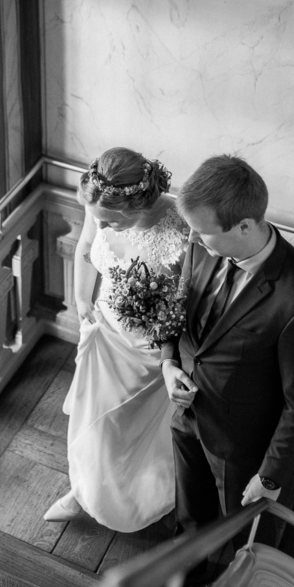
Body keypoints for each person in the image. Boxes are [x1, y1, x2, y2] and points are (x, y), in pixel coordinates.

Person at [161, 155, 294, 587]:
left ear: (244, 226)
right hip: (188, 416)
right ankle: (189, 580)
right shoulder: (201, 247)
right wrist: (168, 363)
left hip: (244, 447)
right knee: (191, 514)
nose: (194, 240)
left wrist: (271, 476)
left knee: (250, 539)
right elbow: (177, 311)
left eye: (203, 232)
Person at [44, 147, 189, 532]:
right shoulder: (99, 206)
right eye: (99, 219)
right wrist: (79, 299)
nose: (102, 227)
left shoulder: (182, 226)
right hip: (102, 334)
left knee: (129, 432)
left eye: (111, 222)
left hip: (148, 353)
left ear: (135, 204)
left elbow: (192, 301)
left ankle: (134, 496)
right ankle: (83, 490)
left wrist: (166, 346)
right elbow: (86, 250)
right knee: (91, 421)